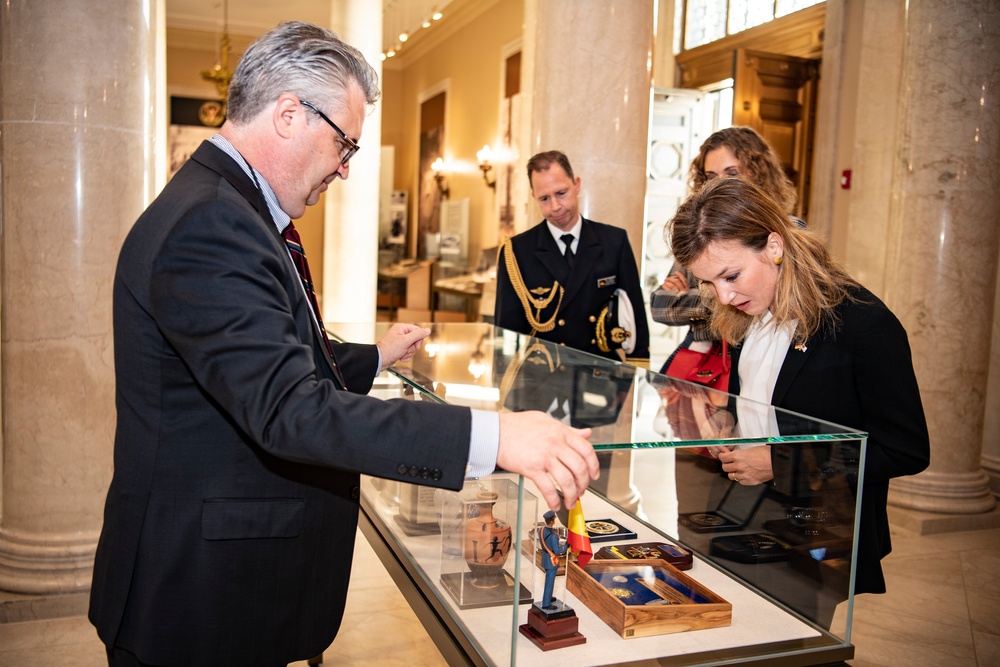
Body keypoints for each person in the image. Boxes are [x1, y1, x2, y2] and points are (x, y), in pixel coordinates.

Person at [88, 22, 599, 667]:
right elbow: (289, 409)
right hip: (196, 599)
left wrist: (375, 357)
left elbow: (276, 352)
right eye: (344, 143)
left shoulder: (229, 208)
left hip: (214, 586)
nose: (346, 168)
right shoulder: (212, 222)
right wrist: (493, 437)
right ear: (289, 114)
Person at [668, 177, 930, 603]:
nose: (725, 295)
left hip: (819, 531)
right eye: (709, 284)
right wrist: (727, 420)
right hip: (746, 514)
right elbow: (758, 398)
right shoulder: (751, 310)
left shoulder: (864, 326)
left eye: (730, 275)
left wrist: (779, 462)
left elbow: (905, 450)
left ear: (774, 246)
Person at [651, 126, 800, 374]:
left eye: (732, 172)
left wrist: (696, 309)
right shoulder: (701, 231)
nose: (721, 183)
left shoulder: (788, 230)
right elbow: (659, 305)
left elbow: (773, 310)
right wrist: (725, 306)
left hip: (755, 367)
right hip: (698, 366)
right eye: (711, 175)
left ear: (758, 173)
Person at [495, 150, 650, 362]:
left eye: (561, 193)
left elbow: (635, 315)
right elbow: (506, 332)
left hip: (599, 375)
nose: (555, 207)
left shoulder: (614, 241)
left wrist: (636, 378)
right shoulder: (517, 251)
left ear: (576, 184)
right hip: (542, 377)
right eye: (544, 198)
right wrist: (509, 387)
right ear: (534, 197)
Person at [539, 510, 568, 610]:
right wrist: (566, 547)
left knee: (549, 581)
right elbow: (557, 551)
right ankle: (546, 603)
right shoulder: (553, 536)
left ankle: (549, 597)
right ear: (552, 521)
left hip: (545, 558)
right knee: (549, 582)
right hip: (552, 561)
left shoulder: (541, 530)